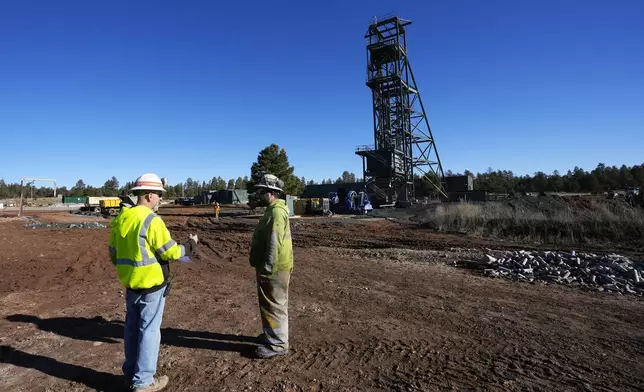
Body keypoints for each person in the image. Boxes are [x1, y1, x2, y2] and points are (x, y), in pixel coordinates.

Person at [109, 173, 198, 392]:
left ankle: (130, 372)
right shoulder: (151, 220)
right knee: (149, 331)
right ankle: (144, 382)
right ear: (149, 195)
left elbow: (113, 253)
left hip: (131, 285)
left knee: (131, 330)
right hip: (152, 286)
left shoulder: (121, 218)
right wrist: (190, 245)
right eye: (159, 195)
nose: (159, 200)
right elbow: (170, 252)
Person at [249, 174, 293, 359]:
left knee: (274, 305)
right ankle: (272, 335)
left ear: (271, 192)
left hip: (274, 269)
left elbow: (275, 243)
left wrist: (268, 269)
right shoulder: (273, 209)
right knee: (271, 305)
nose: (258, 194)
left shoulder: (276, 212)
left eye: (261, 191)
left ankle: (277, 345)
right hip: (275, 267)